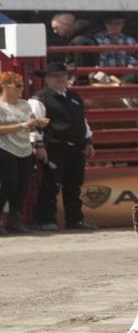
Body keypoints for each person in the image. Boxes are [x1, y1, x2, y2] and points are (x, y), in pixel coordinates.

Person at [29, 61, 96, 231]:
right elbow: (33, 124)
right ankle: (46, 220)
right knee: (51, 184)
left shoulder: (74, 97)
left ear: (67, 78)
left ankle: (75, 220)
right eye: (55, 76)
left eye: (63, 76)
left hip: (75, 147)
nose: (59, 79)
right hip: (53, 146)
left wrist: (88, 141)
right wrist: (39, 146)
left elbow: (82, 121)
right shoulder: (39, 99)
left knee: (74, 184)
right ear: (47, 79)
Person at [0, 72, 49, 234]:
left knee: (22, 186)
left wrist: (37, 124)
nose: (22, 89)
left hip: (25, 148)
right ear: (6, 86)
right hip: (5, 148)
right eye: (18, 86)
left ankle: (15, 221)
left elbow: (31, 125)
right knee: (8, 184)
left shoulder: (25, 104)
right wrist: (23, 125)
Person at [49, 12, 99, 82]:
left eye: (56, 28)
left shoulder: (79, 41)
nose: (55, 32)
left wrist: (79, 81)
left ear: (65, 23)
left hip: (84, 83)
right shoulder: (81, 38)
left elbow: (81, 65)